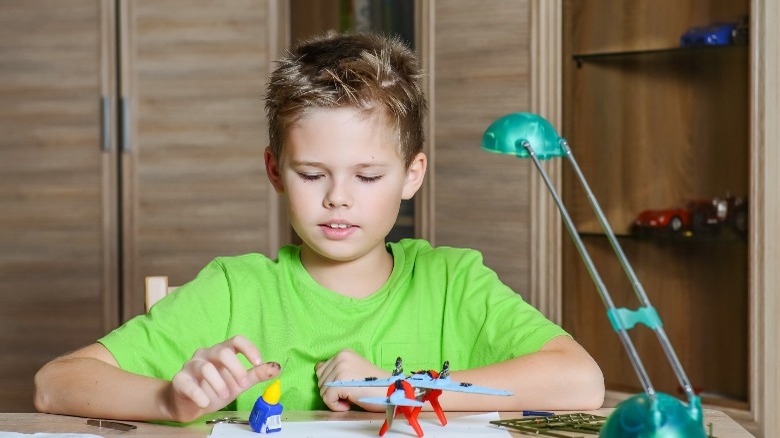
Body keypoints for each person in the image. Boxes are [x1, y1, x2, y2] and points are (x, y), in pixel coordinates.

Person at [34, 31, 604, 423]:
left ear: (412, 174)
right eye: (312, 174)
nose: (337, 198)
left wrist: (399, 388)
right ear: (275, 171)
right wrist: (170, 400)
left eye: (368, 175)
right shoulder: (236, 289)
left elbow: (581, 381)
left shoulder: (452, 280)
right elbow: (55, 383)